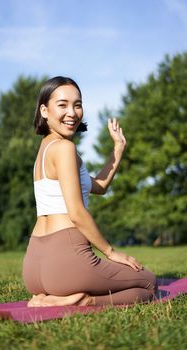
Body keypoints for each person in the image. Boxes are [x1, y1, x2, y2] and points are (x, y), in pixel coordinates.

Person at [22, 76, 157, 307]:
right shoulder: (65, 148)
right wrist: (110, 252)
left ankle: (49, 297)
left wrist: (118, 148)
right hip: (67, 261)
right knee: (149, 283)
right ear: (44, 110)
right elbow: (76, 212)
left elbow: (100, 186)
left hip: (34, 266)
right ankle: (85, 300)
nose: (72, 112)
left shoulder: (45, 148)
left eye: (77, 104)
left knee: (138, 280)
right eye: (62, 105)